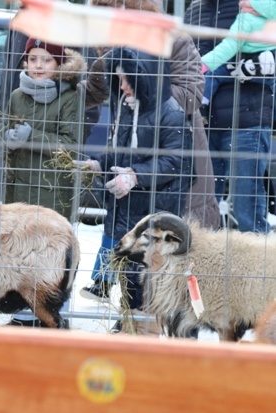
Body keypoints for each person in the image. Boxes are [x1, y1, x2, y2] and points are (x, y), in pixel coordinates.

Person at [79, 0, 220, 304]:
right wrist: (95, 64)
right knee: (133, 235)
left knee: (176, 241)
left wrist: (139, 79)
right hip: (130, 157)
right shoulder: (115, 45)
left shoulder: (174, 40)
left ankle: (176, 317)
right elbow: (93, 93)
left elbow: (191, 95)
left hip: (174, 155)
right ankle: (128, 308)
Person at [77, 47, 193, 333]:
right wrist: (100, 164)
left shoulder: (171, 114)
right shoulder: (127, 108)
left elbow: (176, 162)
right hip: (127, 207)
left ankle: (147, 327)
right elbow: (120, 152)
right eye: (119, 79)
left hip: (156, 207)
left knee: (150, 270)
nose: (124, 86)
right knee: (129, 268)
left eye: (129, 79)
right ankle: (129, 319)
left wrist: (135, 176)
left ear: (145, 78)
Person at [185, 0, 274, 233]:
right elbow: (183, 56)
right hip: (202, 123)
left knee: (247, 206)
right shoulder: (194, 10)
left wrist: (260, 66)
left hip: (247, 119)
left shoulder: (257, 5)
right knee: (200, 204)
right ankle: (202, 263)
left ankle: (259, 266)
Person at [0, 37, 85, 219]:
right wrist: (6, 137)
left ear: (59, 63)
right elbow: (3, 128)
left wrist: (31, 136)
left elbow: (71, 145)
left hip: (50, 195)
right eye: (33, 59)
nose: (38, 66)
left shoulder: (69, 98)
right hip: (16, 192)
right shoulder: (17, 96)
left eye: (46, 60)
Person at [200, 0, 276, 115]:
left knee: (213, 75)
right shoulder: (272, 21)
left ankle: (201, 106)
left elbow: (230, 46)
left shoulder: (246, 19)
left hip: (238, 63)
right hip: (267, 66)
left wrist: (203, 64)